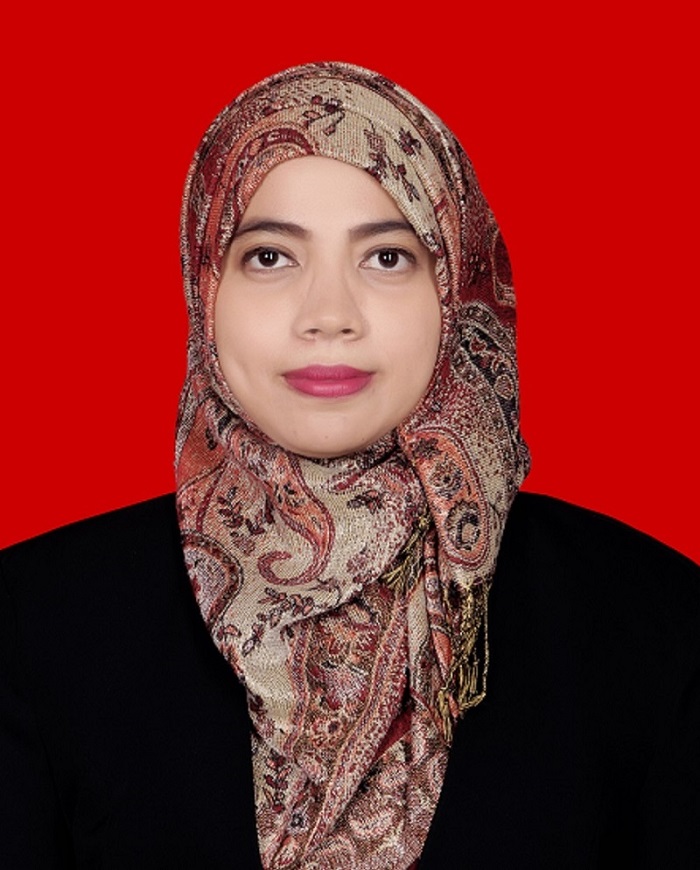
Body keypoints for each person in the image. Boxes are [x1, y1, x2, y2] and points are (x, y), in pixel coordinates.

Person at [1, 61, 697, 869]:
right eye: (269, 257)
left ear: (458, 287)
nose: (328, 315)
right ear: (206, 289)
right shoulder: (34, 622)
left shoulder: (649, 622)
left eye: (387, 257)